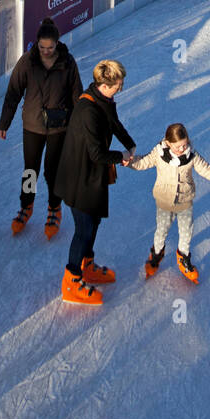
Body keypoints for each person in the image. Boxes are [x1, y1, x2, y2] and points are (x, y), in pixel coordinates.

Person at [53, 58, 136, 306]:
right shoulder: (87, 109)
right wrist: (121, 156)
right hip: (79, 176)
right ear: (105, 84)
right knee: (84, 228)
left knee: (95, 220)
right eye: (117, 85)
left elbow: (114, 123)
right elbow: (97, 154)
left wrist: (129, 143)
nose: (120, 89)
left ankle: (86, 265)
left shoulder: (104, 100)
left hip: (93, 174)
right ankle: (71, 282)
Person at [0, 17, 83, 238]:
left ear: (57, 44)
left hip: (59, 127)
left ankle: (54, 208)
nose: (46, 51)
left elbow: (77, 96)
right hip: (33, 124)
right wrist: (4, 122)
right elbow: (13, 93)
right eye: (42, 47)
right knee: (30, 170)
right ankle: (26, 206)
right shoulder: (27, 62)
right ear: (36, 43)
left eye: (50, 47)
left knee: (52, 171)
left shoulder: (68, 63)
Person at [127, 121, 210, 283]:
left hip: (185, 200)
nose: (181, 149)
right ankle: (157, 254)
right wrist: (128, 161)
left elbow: (207, 170)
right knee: (162, 231)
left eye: (184, 145)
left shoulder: (191, 156)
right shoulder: (159, 154)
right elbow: (143, 162)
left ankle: (183, 257)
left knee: (186, 232)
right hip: (165, 201)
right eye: (177, 146)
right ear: (168, 143)